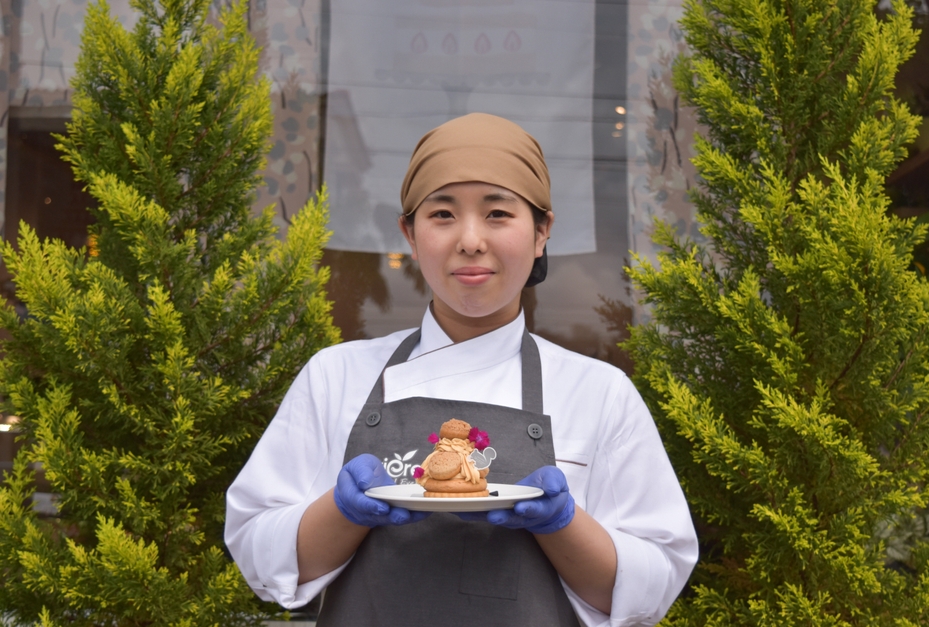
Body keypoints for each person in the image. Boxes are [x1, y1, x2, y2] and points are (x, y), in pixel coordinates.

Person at [225, 113, 697, 626]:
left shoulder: (600, 393)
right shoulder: (334, 377)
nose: (470, 240)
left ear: (543, 231)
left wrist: (562, 524)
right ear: (409, 233)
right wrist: (340, 512)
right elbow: (258, 553)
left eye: (497, 214)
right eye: (443, 215)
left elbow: (652, 587)